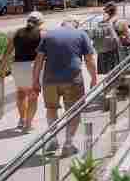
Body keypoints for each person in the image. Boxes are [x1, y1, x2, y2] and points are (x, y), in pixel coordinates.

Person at [30, 20, 98, 156]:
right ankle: (68, 144)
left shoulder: (48, 35)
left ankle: (53, 139)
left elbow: (38, 60)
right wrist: (94, 78)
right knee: (74, 112)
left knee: (51, 109)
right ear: (76, 25)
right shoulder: (81, 34)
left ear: (62, 24)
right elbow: (89, 59)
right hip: (72, 79)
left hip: (49, 80)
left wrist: (35, 81)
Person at [0, 11, 44, 132]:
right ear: (40, 23)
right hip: (32, 67)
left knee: (20, 94)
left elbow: (7, 53)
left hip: (17, 66)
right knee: (33, 96)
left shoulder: (17, 33)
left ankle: (22, 119)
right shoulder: (42, 34)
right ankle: (28, 124)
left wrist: (2, 69)